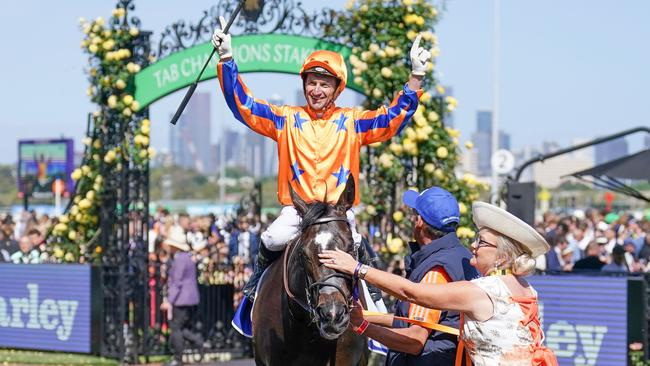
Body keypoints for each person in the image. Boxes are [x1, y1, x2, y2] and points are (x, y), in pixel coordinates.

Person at [212, 17, 432, 301]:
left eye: (324, 84)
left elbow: (391, 120)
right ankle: (254, 293)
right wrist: (227, 58)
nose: (316, 90)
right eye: (312, 82)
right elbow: (244, 106)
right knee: (273, 238)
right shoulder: (285, 119)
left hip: (337, 211)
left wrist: (415, 77)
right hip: (298, 210)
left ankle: (375, 302)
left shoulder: (352, 121)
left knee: (355, 241)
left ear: (336, 89)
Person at [320, 202, 558, 365]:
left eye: (482, 243)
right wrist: (365, 318)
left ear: (503, 256)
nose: (473, 246)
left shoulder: (483, 291)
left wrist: (357, 268)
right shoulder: (524, 287)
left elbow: (412, 293)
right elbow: (419, 316)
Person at [359, 187, 479, 365]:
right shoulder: (460, 255)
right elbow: (409, 320)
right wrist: (360, 316)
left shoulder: (436, 270)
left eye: (413, 214)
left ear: (419, 221)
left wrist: (362, 327)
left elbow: (414, 340)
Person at [160, 226, 203, 366]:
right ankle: (197, 341)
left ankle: (178, 358)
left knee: (175, 328)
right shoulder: (187, 257)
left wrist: (169, 301)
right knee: (182, 327)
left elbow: (177, 282)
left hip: (181, 299)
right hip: (190, 298)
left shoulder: (179, 259)